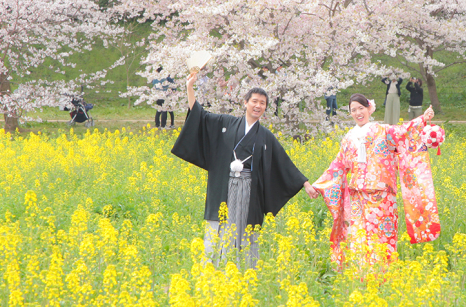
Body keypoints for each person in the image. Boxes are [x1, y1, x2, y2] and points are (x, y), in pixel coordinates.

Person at [172, 70, 318, 268]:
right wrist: (190, 87)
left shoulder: (266, 136)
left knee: (246, 229)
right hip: (224, 185)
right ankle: (213, 269)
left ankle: (244, 270)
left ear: (265, 108)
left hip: (250, 192)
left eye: (262, 103)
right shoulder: (226, 123)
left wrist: (305, 183)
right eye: (254, 101)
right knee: (219, 226)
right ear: (245, 103)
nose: (258, 106)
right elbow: (200, 116)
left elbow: (283, 162)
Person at [311, 93, 441, 266]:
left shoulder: (383, 130)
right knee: (359, 238)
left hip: (382, 197)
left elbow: (404, 131)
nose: (358, 113)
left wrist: (422, 119)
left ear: (369, 109)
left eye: (361, 108)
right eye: (353, 110)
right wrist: (318, 185)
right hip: (358, 196)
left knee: (381, 238)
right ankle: (361, 277)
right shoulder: (349, 138)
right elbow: (338, 166)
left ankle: (382, 279)